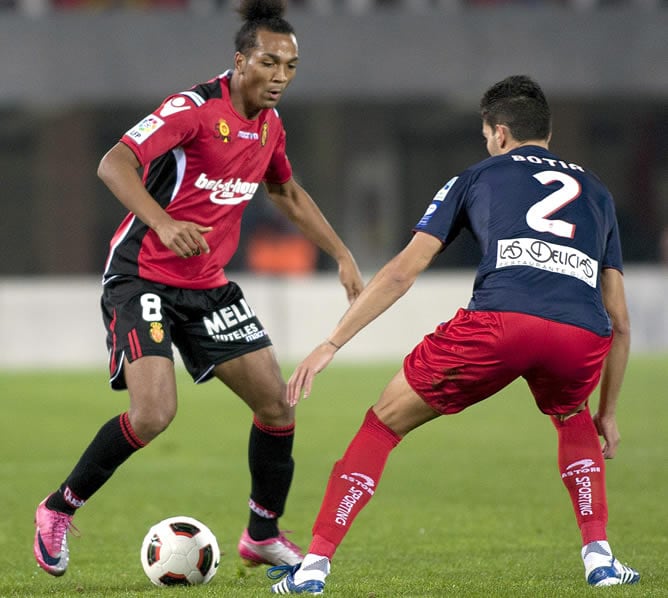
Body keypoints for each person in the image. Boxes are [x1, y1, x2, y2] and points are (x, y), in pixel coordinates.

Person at [267, 75, 640, 594]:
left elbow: (402, 271)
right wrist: (610, 410)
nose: (489, 143)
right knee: (571, 415)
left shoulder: (478, 176)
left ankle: (313, 567)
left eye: (488, 134)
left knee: (382, 425)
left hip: (499, 322)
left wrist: (331, 343)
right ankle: (599, 557)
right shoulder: (597, 192)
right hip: (579, 334)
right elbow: (620, 318)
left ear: (501, 133)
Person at [33, 0, 363, 578]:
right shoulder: (191, 109)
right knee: (155, 413)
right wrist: (161, 221)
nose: (280, 76)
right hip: (142, 276)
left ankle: (262, 534)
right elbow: (114, 164)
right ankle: (57, 509)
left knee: (277, 406)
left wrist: (340, 253)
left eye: (291, 66)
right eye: (269, 62)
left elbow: (284, 192)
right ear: (240, 60)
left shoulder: (270, 125)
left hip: (207, 287)